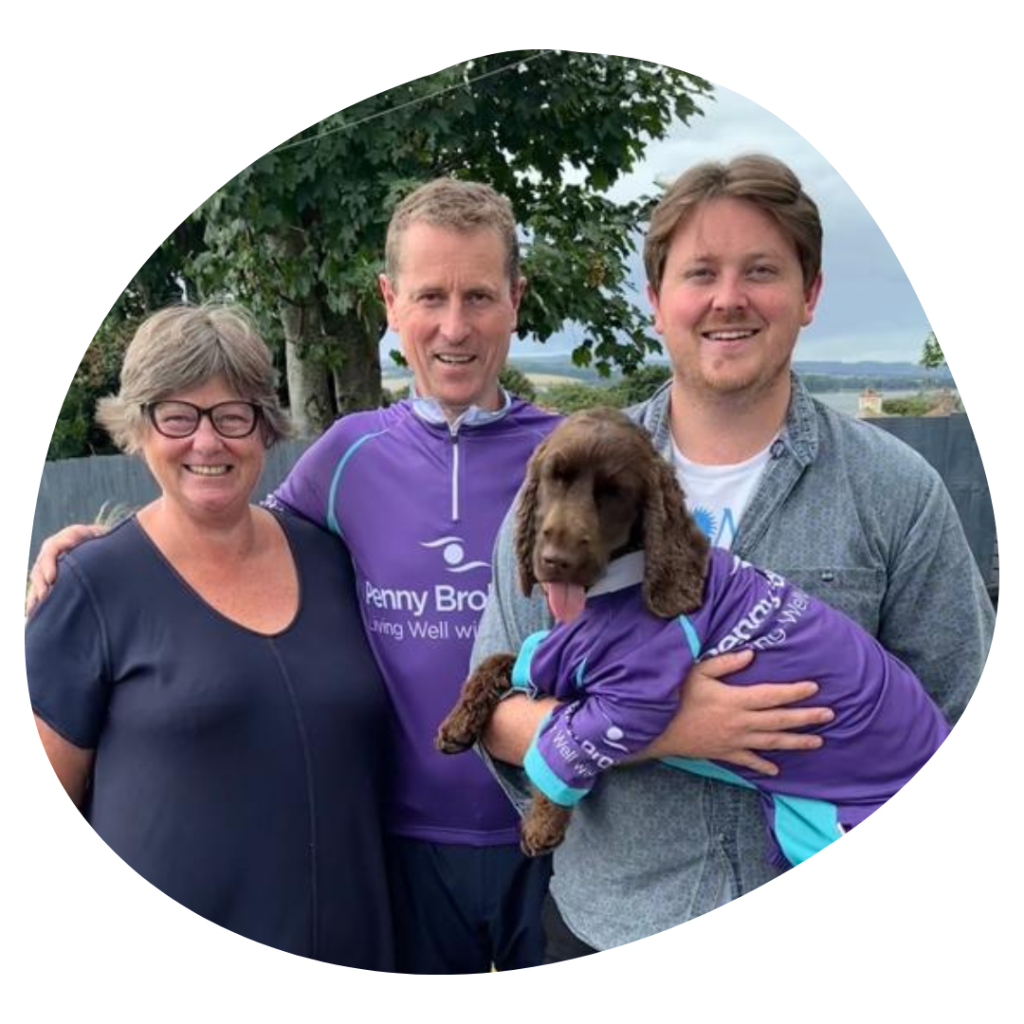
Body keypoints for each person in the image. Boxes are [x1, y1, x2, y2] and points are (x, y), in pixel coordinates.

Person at [27, 177, 839, 972]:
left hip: (563, 829)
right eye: (429, 297)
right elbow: (225, 518)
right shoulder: (345, 457)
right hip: (399, 843)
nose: (455, 325)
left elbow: (696, 573)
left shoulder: (580, 454)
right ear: (389, 302)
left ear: (515, 302)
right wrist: (101, 542)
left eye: (480, 296)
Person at [475, 154, 995, 959]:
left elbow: (954, 706)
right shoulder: (560, 485)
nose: (729, 298)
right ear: (656, 302)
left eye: (761, 270)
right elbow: (501, 720)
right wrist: (666, 727)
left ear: (810, 293)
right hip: (614, 925)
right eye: (700, 273)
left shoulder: (898, 490)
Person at [25, 304, 395, 970]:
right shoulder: (89, 586)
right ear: (140, 427)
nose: (207, 441)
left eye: (231, 414)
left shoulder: (334, 560)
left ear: (263, 425)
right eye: (177, 415)